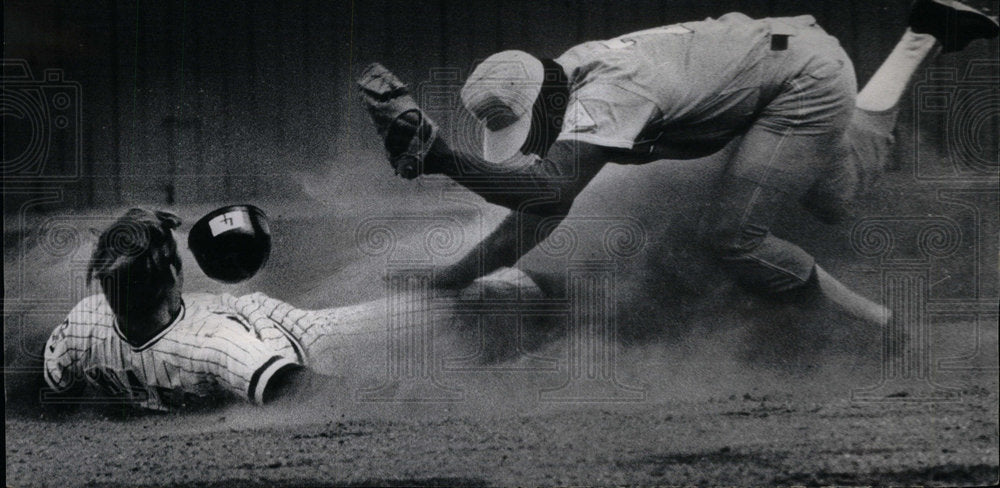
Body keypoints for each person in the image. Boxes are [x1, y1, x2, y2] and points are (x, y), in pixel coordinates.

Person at [374, 0, 999, 325]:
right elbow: (543, 210)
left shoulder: (611, 95)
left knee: (734, 237)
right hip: (775, 55)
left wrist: (444, 159)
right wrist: (448, 282)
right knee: (834, 193)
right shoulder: (570, 72)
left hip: (799, 78)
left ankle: (877, 330)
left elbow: (541, 194)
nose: (527, 141)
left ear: (542, 102)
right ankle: (923, 31)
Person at [42, 208, 544, 412]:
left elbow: (57, 387)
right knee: (449, 308)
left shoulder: (82, 325)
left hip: (257, 330)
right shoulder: (214, 344)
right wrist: (404, 398)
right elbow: (298, 387)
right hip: (317, 341)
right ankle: (556, 299)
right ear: (173, 275)